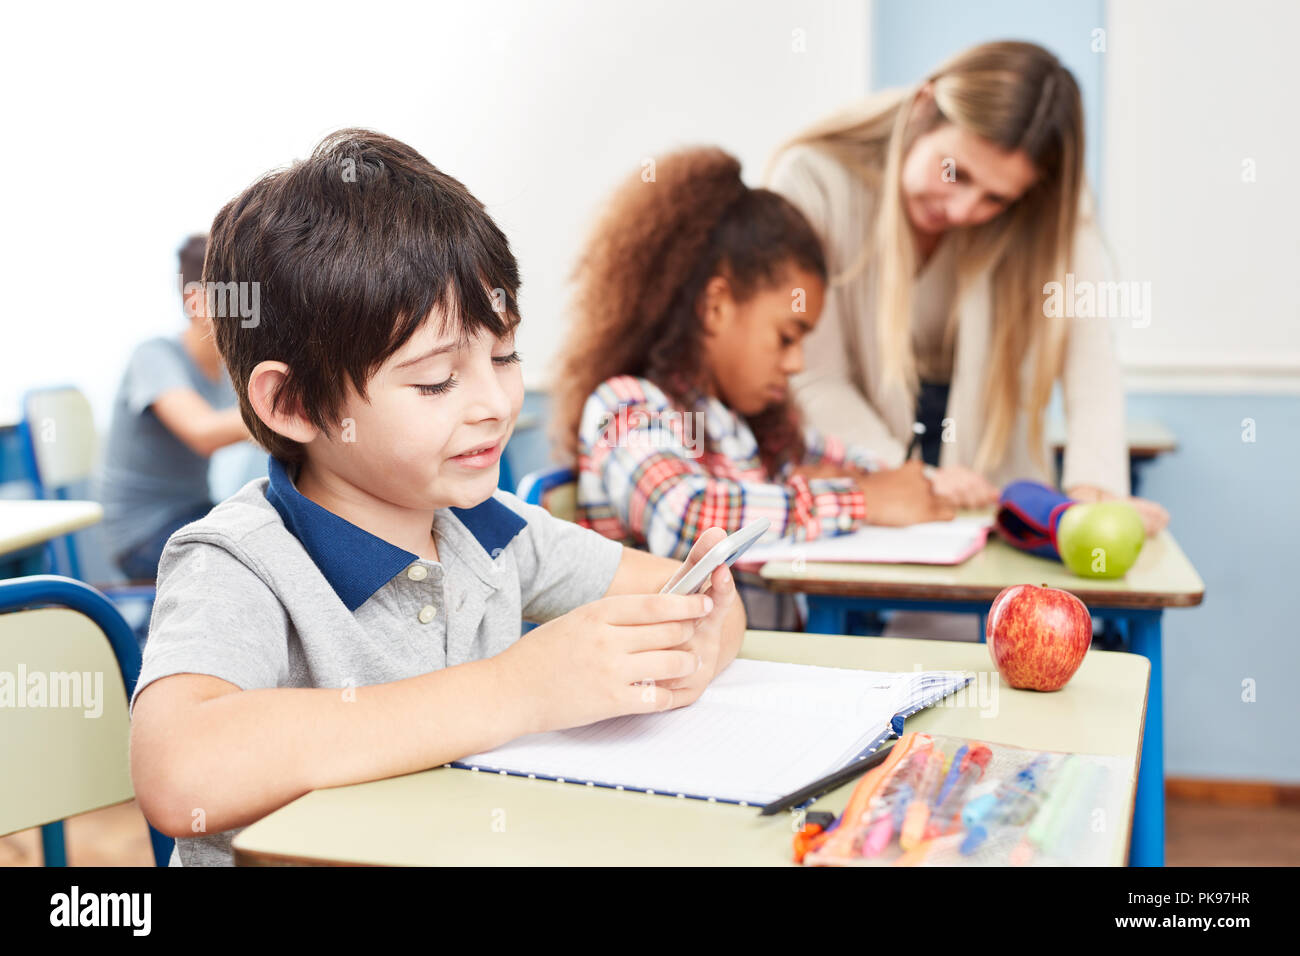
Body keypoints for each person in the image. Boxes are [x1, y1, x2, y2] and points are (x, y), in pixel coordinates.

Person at [128, 130, 745, 866]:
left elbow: (691, 594)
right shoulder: (238, 559)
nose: (494, 402)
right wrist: (514, 691)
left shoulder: (487, 525)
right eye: (435, 381)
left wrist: (695, 648)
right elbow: (179, 769)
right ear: (291, 402)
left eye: (506, 355)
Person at [767, 40, 1168, 533]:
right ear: (923, 108)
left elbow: (1089, 356)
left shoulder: (1051, 204)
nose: (961, 212)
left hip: (988, 467)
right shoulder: (812, 180)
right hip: (858, 450)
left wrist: (1096, 493)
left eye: (995, 198)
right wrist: (910, 477)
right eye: (956, 172)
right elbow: (815, 377)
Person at [551, 147, 953, 629]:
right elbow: (686, 515)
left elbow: (854, 460)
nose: (797, 362)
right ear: (716, 306)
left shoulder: (747, 426)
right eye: (787, 336)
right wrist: (861, 501)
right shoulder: (625, 407)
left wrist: (919, 482)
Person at [99, 235, 250, 581]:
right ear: (196, 302)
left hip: (196, 511)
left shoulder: (230, 365)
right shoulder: (153, 356)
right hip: (143, 532)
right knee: (250, 559)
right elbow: (203, 432)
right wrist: (286, 411)